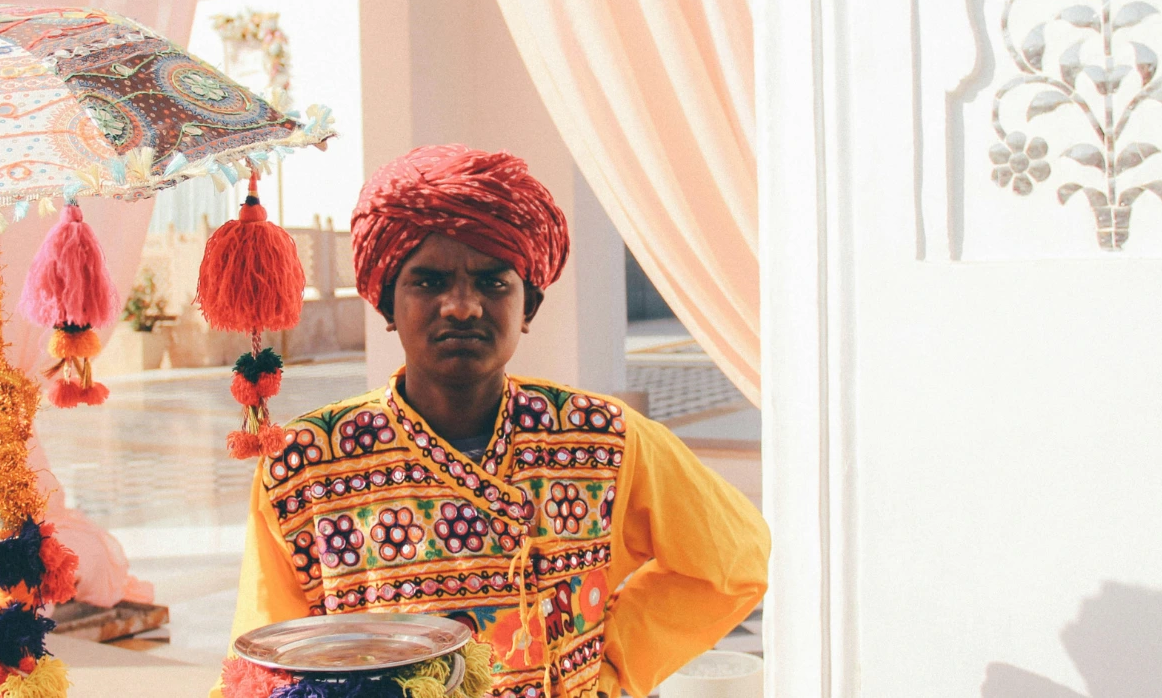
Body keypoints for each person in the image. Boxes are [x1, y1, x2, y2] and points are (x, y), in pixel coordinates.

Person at [225, 144, 769, 698]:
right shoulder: (307, 465)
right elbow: (262, 668)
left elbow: (734, 561)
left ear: (527, 307)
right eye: (429, 282)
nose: (462, 306)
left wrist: (606, 668)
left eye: (492, 282)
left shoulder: (601, 437)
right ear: (388, 305)